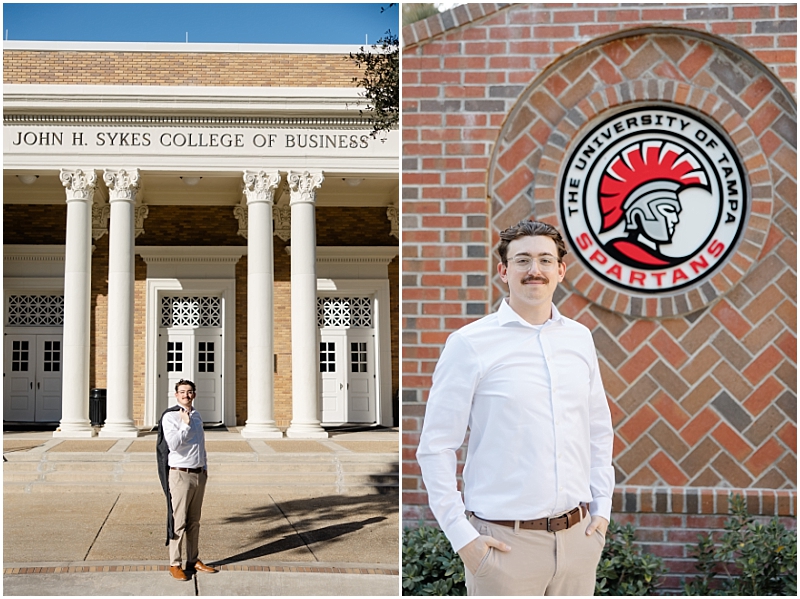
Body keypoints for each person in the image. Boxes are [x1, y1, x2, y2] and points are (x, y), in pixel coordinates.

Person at [417, 219, 614, 596]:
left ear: (561, 270)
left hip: (578, 542)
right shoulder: (469, 344)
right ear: (504, 271)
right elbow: (437, 446)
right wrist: (463, 539)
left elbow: (598, 428)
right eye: (522, 261)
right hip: (504, 547)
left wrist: (602, 511)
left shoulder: (580, 339)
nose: (534, 270)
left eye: (544, 260)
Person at [156, 379, 218, 581]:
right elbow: (173, 445)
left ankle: (193, 559)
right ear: (176, 395)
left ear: (194, 394)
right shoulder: (171, 417)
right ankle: (175, 563)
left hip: (198, 474)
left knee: (194, 521)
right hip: (180, 474)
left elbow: (201, 444)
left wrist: (205, 468)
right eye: (182, 392)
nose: (186, 395)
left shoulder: (198, 415)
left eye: (189, 391)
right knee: (179, 521)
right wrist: (184, 424)